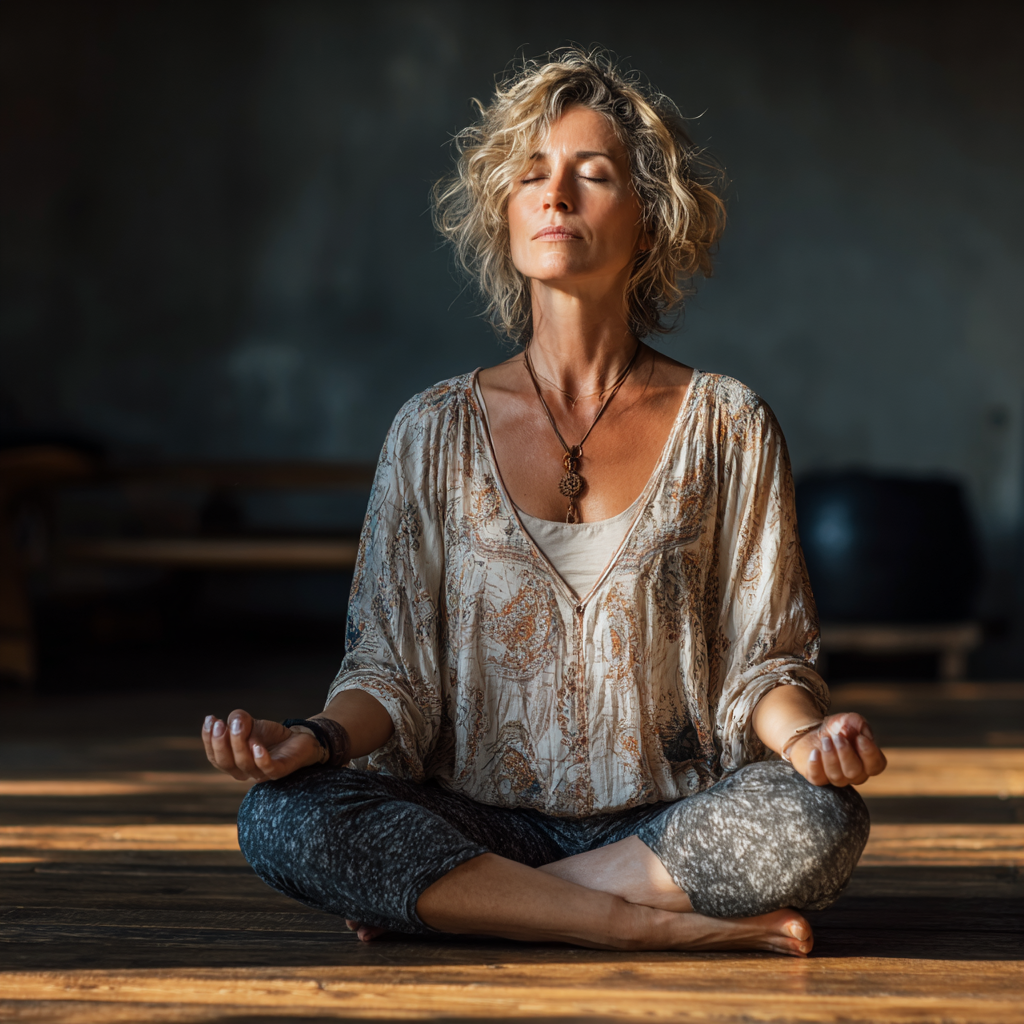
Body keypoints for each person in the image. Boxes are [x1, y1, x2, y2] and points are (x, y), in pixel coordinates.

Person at [202, 49, 886, 957]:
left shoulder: (728, 422)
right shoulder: (431, 430)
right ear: (508, 214)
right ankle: (640, 929)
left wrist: (810, 742)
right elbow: (389, 669)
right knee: (280, 817)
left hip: (669, 828)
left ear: (650, 221)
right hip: (479, 818)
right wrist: (315, 738)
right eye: (532, 174)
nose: (555, 193)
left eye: (592, 174)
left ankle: (483, 906)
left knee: (818, 819)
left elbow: (766, 660)